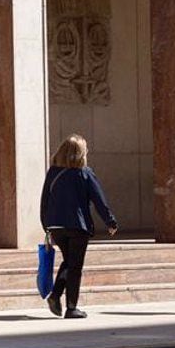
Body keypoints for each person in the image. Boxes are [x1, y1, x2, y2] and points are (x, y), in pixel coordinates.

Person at [40, 134, 118, 319]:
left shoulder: (53, 172)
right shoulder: (85, 173)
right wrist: (110, 221)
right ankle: (71, 307)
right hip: (77, 225)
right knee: (75, 266)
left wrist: (46, 225)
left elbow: (45, 199)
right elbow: (99, 200)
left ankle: (56, 295)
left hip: (56, 225)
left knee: (69, 262)